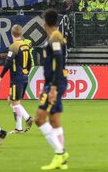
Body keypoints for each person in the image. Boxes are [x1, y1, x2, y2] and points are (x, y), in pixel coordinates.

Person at [35, 9, 69, 170]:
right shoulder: (55, 37)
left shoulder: (55, 37)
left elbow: (58, 59)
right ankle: (62, 157)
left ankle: (59, 152)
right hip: (56, 82)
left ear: (45, 22)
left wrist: (53, 87)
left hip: (54, 84)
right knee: (54, 120)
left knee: (39, 118)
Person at [0, 25, 35, 134]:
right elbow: (30, 62)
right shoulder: (25, 45)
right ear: (20, 33)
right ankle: (18, 128)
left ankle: (28, 118)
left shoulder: (14, 46)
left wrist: (1, 76)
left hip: (16, 78)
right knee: (14, 101)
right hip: (24, 77)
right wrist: (26, 72)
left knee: (14, 103)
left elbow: (8, 62)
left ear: (12, 34)